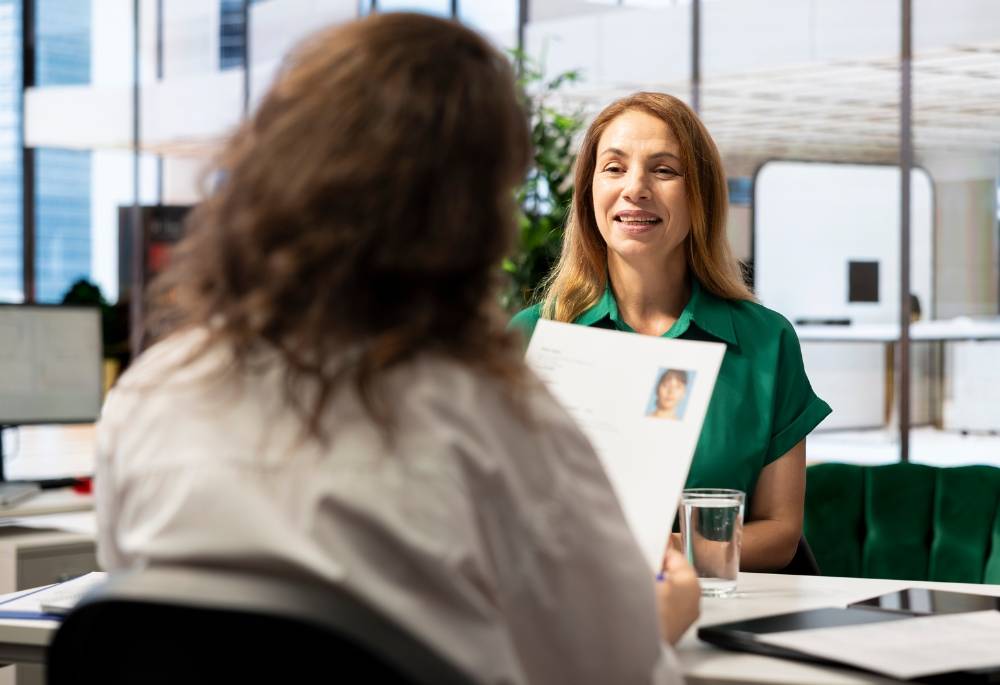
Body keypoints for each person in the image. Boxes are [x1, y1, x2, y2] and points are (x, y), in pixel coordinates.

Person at [95, 15, 698, 685]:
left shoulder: (151, 395)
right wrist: (659, 627)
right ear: (472, 215)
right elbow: (613, 673)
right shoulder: (508, 425)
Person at [511, 92, 832, 571]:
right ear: (588, 192)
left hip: (723, 611)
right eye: (614, 168)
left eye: (664, 170)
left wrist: (652, 554)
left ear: (699, 194)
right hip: (568, 612)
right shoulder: (533, 337)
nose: (634, 188)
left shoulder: (767, 341)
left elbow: (780, 535)